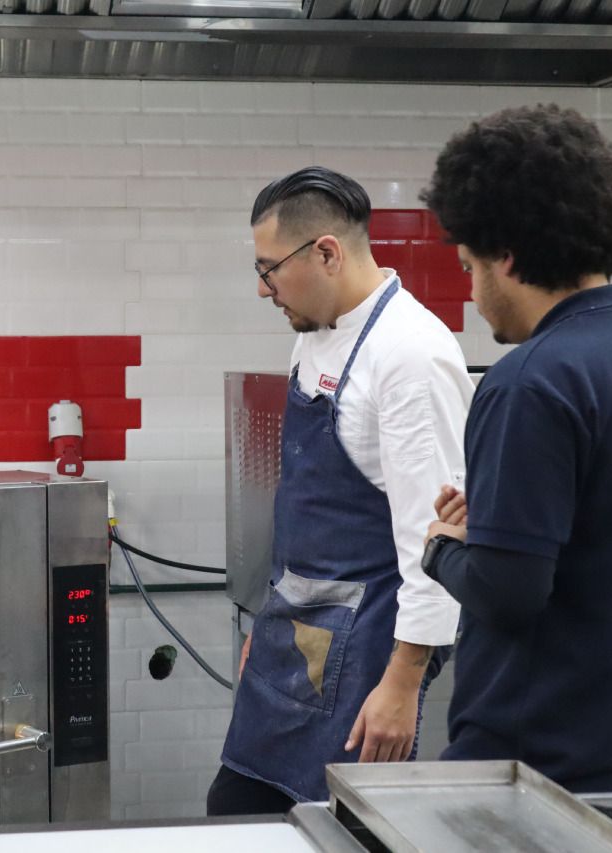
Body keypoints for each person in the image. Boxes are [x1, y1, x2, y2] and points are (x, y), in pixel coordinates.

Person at [418, 104, 612, 792]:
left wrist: (442, 549)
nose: (472, 292)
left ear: (506, 255)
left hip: (548, 780)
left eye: (469, 266)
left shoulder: (530, 382)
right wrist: (495, 532)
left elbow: (509, 593)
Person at [208, 167, 472, 814]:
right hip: (292, 632)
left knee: (336, 830)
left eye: (269, 269)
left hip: (366, 652)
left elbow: (435, 540)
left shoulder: (411, 356)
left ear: (326, 252)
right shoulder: (312, 337)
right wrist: (271, 620)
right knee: (236, 806)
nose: (264, 289)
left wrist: (403, 682)